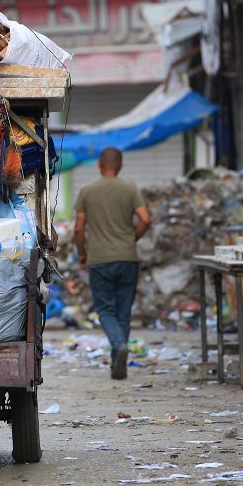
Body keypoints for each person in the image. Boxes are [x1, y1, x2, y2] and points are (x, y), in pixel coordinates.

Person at [74, 147, 151, 380]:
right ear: (121, 166)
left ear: (99, 165)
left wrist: (82, 254)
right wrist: (132, 238)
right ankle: (119, 360)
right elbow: (146, 219)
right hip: (128, 257)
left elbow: (78, 228)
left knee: (105, 310)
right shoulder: (130, 188)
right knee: (123, 312)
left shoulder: (87, 191)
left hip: (100, 259)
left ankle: (119, 346)